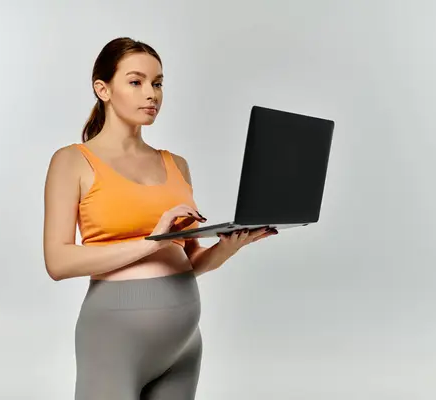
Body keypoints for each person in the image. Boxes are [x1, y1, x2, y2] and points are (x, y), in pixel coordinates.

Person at [42, 37, 278, 400]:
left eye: (157, 83)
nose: (150, 94)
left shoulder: (175, 163)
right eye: (135, 82)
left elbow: (190, 259)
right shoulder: (72, 161)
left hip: (183, 344)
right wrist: (152, 240)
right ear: (102, 89)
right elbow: (58, 261)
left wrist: (229, 247)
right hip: (114, 339)